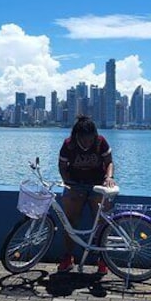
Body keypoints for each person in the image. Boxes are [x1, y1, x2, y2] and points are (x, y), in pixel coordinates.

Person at [57, 115, 116, 274]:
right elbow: (62, 165)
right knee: (70, 222)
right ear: (76, 136)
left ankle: (102, 259)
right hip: (76, 185)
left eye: (90, 140)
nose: (87, 143)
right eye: (84, 140)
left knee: (102, 223)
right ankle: (68, 257)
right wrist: (67, 182)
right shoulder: (69, 145)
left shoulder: (101, 142)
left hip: (97, 185)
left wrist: (109, 177)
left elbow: (109, 162)